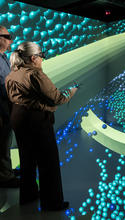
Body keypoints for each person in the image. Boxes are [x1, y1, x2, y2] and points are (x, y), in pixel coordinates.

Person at [5, 41, 78, 210]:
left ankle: (28, 195)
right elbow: (57, 98)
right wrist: (72, 91)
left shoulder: (11, 75)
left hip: (17, 118)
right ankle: (52, 203)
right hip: (36, 120)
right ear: (33, 58)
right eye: (42, 56)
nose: (42, 60)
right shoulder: (36, 75)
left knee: (27, 159)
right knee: (48, 162)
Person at [0, 25, 19, 188]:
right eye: (7, 36)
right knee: (2, 141)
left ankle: (6, 171)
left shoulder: (4, 57)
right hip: (2, 107)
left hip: (7, 105)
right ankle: (5, 176)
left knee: (6, 140)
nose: (10, 40)